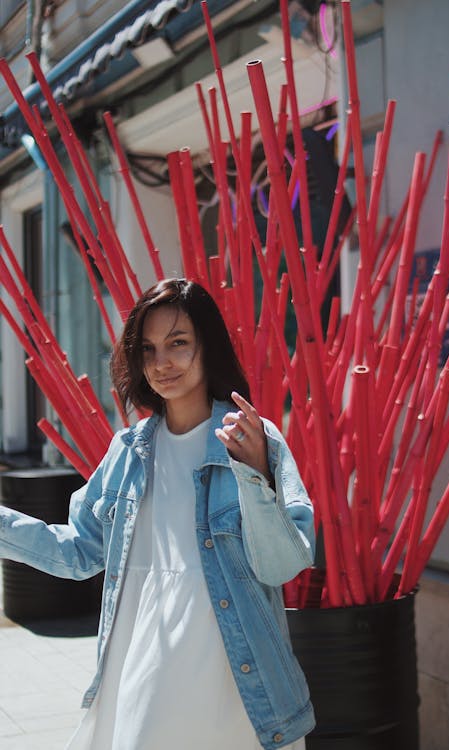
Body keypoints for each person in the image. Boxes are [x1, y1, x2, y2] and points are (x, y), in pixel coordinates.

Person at [0, 278, 316, 750]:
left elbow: (283, 564)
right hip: (143, 659)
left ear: (208, 346)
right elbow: (77, 553)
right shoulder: (128, 452)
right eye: (147, 350)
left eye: (178, 343)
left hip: (231, 675)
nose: (161, 363)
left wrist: (253, 476)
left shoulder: (253, 438)